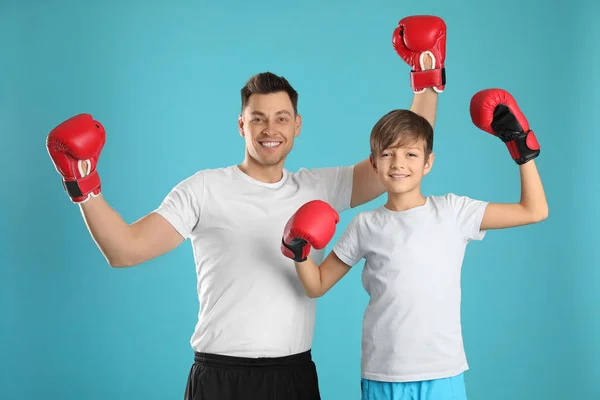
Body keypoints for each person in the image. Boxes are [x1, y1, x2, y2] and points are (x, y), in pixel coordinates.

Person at [45, 15, 445, 400]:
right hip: (219, 375)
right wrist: (83, 184)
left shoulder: (319, 186)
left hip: (293, 374)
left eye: (281, 118)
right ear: (241, 125)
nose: (270, 129)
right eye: (258, 119)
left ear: (297, 125)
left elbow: (398, 161)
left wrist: (427, 81)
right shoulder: (204, 189)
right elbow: (125, 250)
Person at [280, 87, 548, 400]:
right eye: (388, 153)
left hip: (442, 372)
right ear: (374, 163)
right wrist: (299, 252)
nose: (398, 163)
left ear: (428, 162)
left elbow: (535, 210)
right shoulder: (364, 224)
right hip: (383, 373)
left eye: (410, 154)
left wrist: (519, 146)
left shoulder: (453, 211)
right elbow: (317, 285)